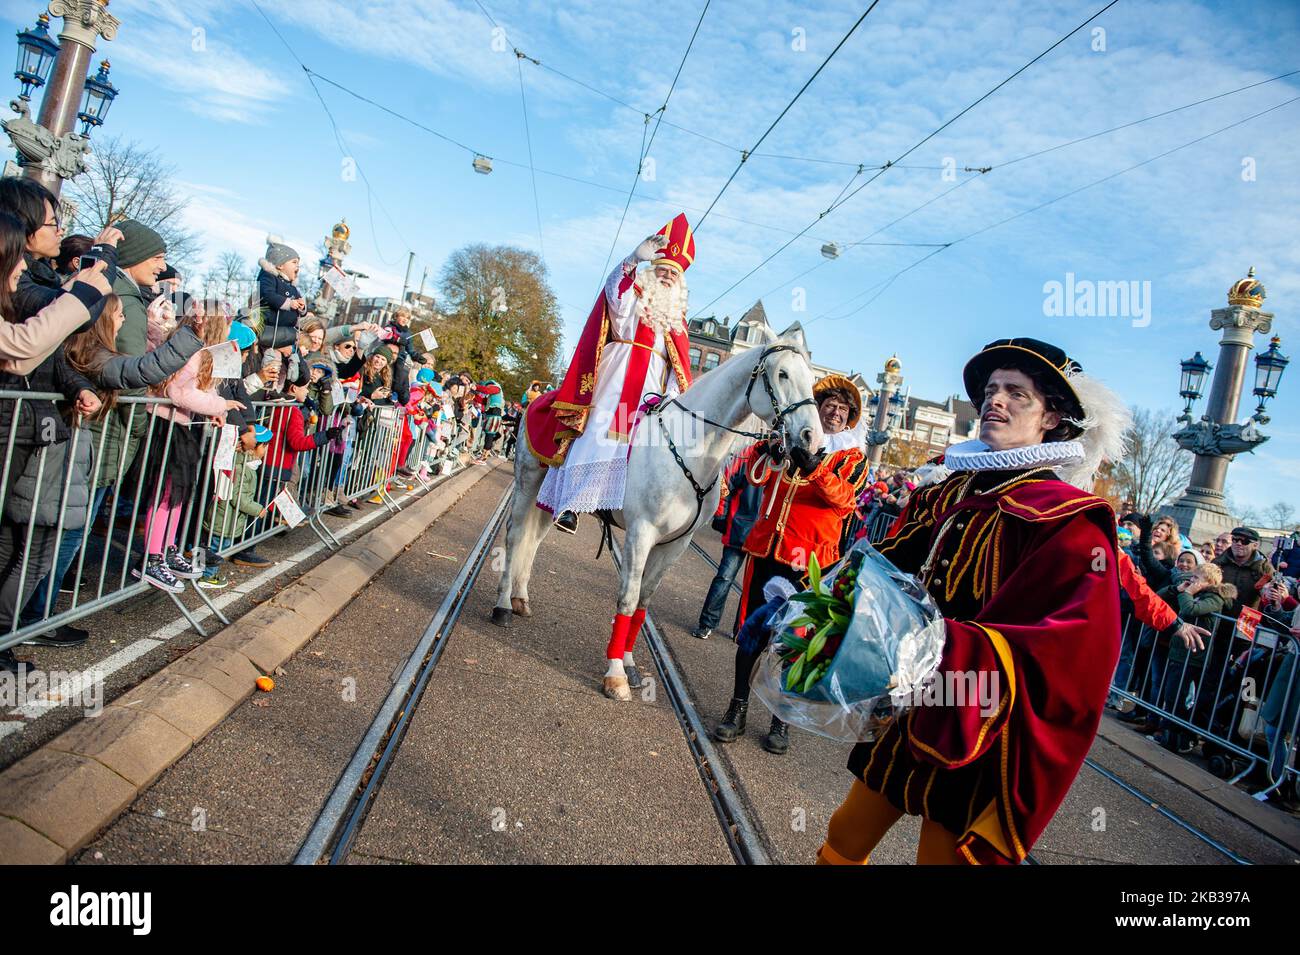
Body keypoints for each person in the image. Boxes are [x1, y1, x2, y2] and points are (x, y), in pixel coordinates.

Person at [818, 337, 1128, 865]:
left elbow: (1074, 647)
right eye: (991, 390)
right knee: (844, 836)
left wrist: (949, 645)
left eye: (1017, 394)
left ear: (1052, 418)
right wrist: (824, 597)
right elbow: (888, 564)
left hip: (979, 724)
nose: (995, 401)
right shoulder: (949, 491)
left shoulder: (1070, 520)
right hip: (910, 706)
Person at [713, 375, 867, 753]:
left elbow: (845, 499)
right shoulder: (792, 439)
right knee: (753, 635)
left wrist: (814, 467)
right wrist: (769, 453)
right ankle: (738, 707)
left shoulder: (852, 459)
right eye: (827, 405)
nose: (833, 412)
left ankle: (781, 721)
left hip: (810, 564)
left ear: (849, 421)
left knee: (796, 643)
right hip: (768, 551)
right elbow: (755, 477)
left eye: (841, 409)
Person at [526, 215, 695, 535]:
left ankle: (620, 504)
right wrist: (633, 259)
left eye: (674, 274)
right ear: (650, 271)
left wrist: (672, 399)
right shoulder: (633, 298)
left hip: (648, 393)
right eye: (662, 270)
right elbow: (614, 292)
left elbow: (678, 369)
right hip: (615, 379)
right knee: (597, 434)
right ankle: (570, 505)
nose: (667, 277)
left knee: (635, 445)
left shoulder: (677, 321)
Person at [691, 443, 765, 641]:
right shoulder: (750, 453)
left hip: (764, 536)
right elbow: (726, 483)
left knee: (753, 588)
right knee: (724, 577)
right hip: (740, 529)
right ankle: (707, 623)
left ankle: (742, 629)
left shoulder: (792, 462)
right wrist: (721, 515)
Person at [256, 236, 306, 348]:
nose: (298, 266)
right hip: (269, 330)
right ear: (280, 265)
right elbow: (267, 294)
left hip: (285, 334)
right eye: (294, 262)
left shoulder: (291, 286)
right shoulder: (269, 277)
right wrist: (288, 303)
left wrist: (302, 307)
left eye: (298, 263)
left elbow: (299, 302)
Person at [1213, 526, 1271, 619]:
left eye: (1245, 541)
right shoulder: (1218, 562)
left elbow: (1271, 595)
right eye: (1235, 540)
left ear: (1255, 545)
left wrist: (1268, 591)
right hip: (1217, 616)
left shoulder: (1265, 568)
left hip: (1246, 621)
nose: (1238, 544)